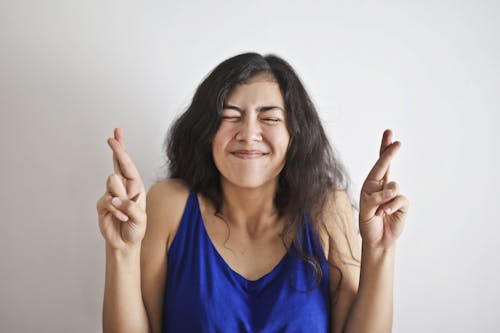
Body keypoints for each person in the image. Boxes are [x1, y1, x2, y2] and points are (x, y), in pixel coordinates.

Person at [96, 52, 409, 333]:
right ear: (206, 131)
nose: (248, 133)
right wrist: (121, 250)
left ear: (295, 134)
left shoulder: (327, 208)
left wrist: (380, 249)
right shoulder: (170, 203)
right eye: (230, 116)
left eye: (270, 118)